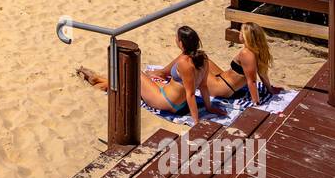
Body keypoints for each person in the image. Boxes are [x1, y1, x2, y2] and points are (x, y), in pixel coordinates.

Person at [76, 25, 225, 125]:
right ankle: (102, 80)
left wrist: (196, 121)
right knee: (146, 80)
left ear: (181, 43)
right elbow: (203, 86)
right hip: (175, 100)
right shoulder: (203, 58)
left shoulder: (184, 63)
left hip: (167, 102)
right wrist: (209, 107)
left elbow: (191, 94)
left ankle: (99, 81)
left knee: (134, 71)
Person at [203, 23, 281, 102]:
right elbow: (263, 74)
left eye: (241, 32)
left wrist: (256, 102)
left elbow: (252, 81)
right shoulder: (257, 51)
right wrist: (270, 90)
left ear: (246, 36)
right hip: (224, 81)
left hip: (223, 88)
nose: (239, 33)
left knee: (194, 62)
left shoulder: (246, 53)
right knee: (203, 59)